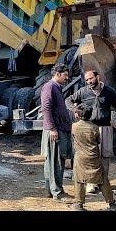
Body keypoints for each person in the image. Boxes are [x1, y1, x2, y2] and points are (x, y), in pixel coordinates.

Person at [66, 70, 116, 194]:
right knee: (91, 155)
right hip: (89, 127)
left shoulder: (108, 91)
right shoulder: (83, 91)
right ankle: (91, 184)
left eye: (91, 79)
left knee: (105, 156)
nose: (89, 82)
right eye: (87, 80)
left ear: (98, 77)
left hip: (105, 128)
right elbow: (68, 100)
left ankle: (102, 182)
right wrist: (75, 109)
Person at [70, 108, 116, 211]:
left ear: (78, 115)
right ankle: (112, 203)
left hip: (80, 157)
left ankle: (79, 204)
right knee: (102, 179)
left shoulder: (74, 127)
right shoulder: (94, 127)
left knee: (79, 180)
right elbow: (98, 141)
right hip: (93, 157)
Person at [40, 63, 74, 202]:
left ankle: (51, 190)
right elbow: (46, 109)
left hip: (57, 129)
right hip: (55, 131)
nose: (67, 78)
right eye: (65, 75)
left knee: (52, 162)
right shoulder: (50, 87)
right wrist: (52, 129)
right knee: (56, 162)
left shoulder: (56, 87)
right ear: (58, 74)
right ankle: (57, 193)